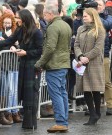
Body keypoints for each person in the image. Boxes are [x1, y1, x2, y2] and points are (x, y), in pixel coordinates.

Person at [0, 9, 43, 129]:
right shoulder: (20, 30)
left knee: (32, 94)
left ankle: (31, 122)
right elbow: (9, 41)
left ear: (24, 18)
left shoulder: (37, 32)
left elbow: (40, 50)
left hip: (33, 65)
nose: (16, 20)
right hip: (23, 65)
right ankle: (27, 122)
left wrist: (26, 53)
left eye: (18, 17)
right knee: (24, 94)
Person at [35, 4, 72, 133]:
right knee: (62, 93)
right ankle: (64, 120)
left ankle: (61, 122)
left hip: (55, 65)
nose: (44, 17)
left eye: (45, 14)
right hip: (63, 64)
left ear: (50, 14)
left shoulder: (53, 27)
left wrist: (39, 63)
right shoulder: (65, 25)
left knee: (56, 94)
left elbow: (50, 48)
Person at [74, 8, 106, 125]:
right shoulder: (80, 29)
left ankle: (97, 112)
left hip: (94, 62)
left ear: (93, 16)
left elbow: (98, 48)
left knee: (95, 89)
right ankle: (92, 114)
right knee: (86, 88)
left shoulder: (100, 30)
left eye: (86, 15)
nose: (84, 17)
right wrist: (80, 56)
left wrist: (86, 58)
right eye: (83, 15)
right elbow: (76, 45)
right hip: (82, 62)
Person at [95, 0, 112, 115]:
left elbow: (106, 25)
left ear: (104, 6)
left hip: (104, 54)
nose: (97, 7)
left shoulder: (108, 17)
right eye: (95, 5)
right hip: (91, 56)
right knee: (91, 83)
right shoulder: (88, 17)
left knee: (106, 82)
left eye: (99, 5)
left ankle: (110, 106)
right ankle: (91, 107)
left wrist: (95, 16)